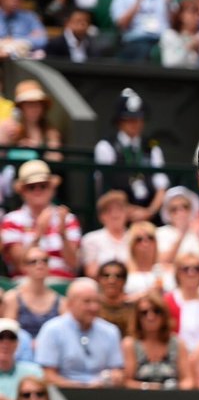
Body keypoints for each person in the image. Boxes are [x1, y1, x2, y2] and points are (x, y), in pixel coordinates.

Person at [93, 89, 169, 222]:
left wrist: (149, 211)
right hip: (118, 217)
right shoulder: (106, 146)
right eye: (129, 119)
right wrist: (128, 211)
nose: (136, 123)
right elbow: (104, 189)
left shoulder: (152, 147)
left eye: (139, 118)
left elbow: (162, 187)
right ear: (119, 121)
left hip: (151, 216)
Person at [35, 279, 124, 389]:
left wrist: (114, 377)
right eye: (87, 302)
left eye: (96, 301)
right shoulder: (52, 330)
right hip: (63, 395)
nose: (94, 307)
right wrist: (82, 388)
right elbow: (48, 375)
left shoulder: (110, 331)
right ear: (70, 303)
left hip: (102, 394)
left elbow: (117, 370)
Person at [2, 160, 81, 280]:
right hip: (26, 284)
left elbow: (73, 265)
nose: (37, 190)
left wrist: (62, 235)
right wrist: (38, 233)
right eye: (31, 187)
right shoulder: (11, 220)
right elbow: (18, 265)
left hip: (63, 282)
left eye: (43, 186)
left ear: (52, 189)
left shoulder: (67, 218)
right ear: (22, 192)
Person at [122, 293, 193, 390]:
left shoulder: (177, 343)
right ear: (137, 317)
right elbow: (126, 381)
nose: (150, 317)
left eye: (157, 311)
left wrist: (175, 390)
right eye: (144, 312)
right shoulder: (130, 344)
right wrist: (147, 387)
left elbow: (188, 380)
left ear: (164, 316)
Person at [0, 319, 41, 400]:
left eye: (11, 338)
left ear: (17, 343)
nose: (6, 343)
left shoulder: (33, 372)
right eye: (1, 338)